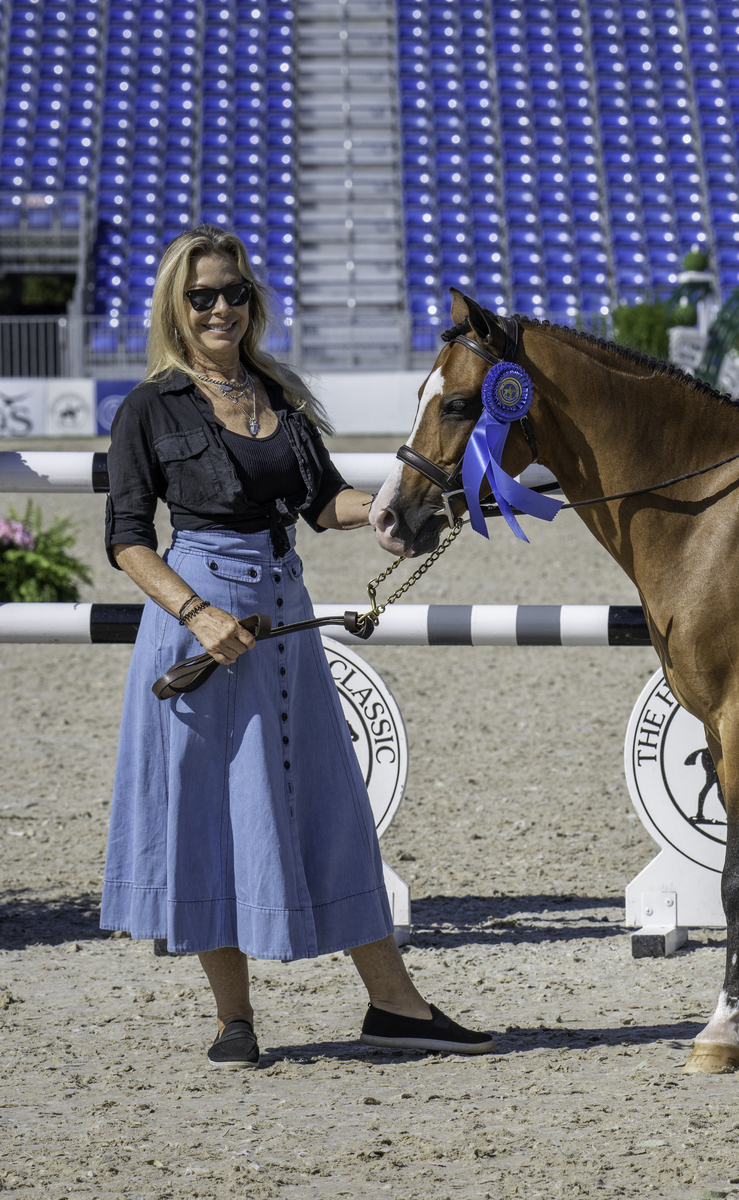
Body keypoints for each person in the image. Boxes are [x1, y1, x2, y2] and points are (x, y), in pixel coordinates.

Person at [101, 225, 490, 1067]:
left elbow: (323, 503)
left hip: (284, 618)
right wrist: (199, 614)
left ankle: (394, 1005)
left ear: (252, 300)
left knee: (329, 801)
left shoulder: (278, 391)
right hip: (204, 628)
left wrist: (389, 514)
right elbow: (129, 539)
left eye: (233, 291)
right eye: (202, 295)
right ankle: (232, 1021)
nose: (220, 308)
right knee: (211, 817)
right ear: (177, 305)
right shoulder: (148, 408)